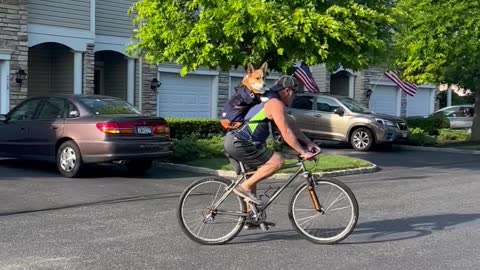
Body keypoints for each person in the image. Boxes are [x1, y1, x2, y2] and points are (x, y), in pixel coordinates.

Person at [224, 75, 321, 206]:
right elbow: (286, 132)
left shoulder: (270, 100)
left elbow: (290, 124)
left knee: (252, 178)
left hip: (236, 140)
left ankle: (250, 219)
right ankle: (243, 187)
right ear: (288, 91)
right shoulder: (275, 104)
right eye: (295, 94)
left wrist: (308, 143)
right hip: (240, 142)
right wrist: (302, 152)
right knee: (277, 161)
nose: (294, 98)